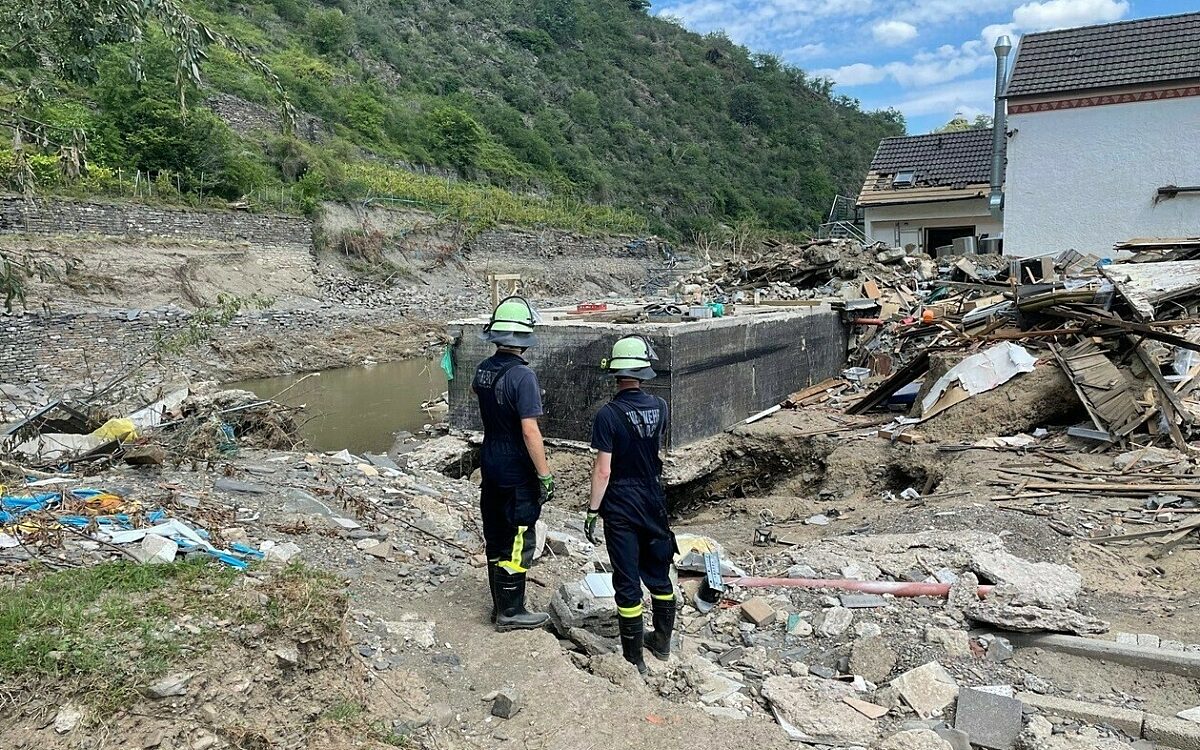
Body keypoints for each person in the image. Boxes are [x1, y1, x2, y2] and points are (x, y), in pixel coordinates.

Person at [584, 334, 675, 673]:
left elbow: (603, 469)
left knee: (627, 582)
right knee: (659, 575)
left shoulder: (607, 415)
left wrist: (594, 510)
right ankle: (662, 643)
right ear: (643, 370)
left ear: (617, 372)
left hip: (621, 502)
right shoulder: (660, 407)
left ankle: (634, 659)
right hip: (653, 499)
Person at [472, 296, 556, 632]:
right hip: (516, 471)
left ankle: (500, 605)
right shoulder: (522, 376)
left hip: (490, 462)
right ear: (524, 336)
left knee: (496, 535)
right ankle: (511, 611)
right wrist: (544, 474)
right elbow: (530, 430)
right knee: (519, 538)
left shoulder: (483, 371)